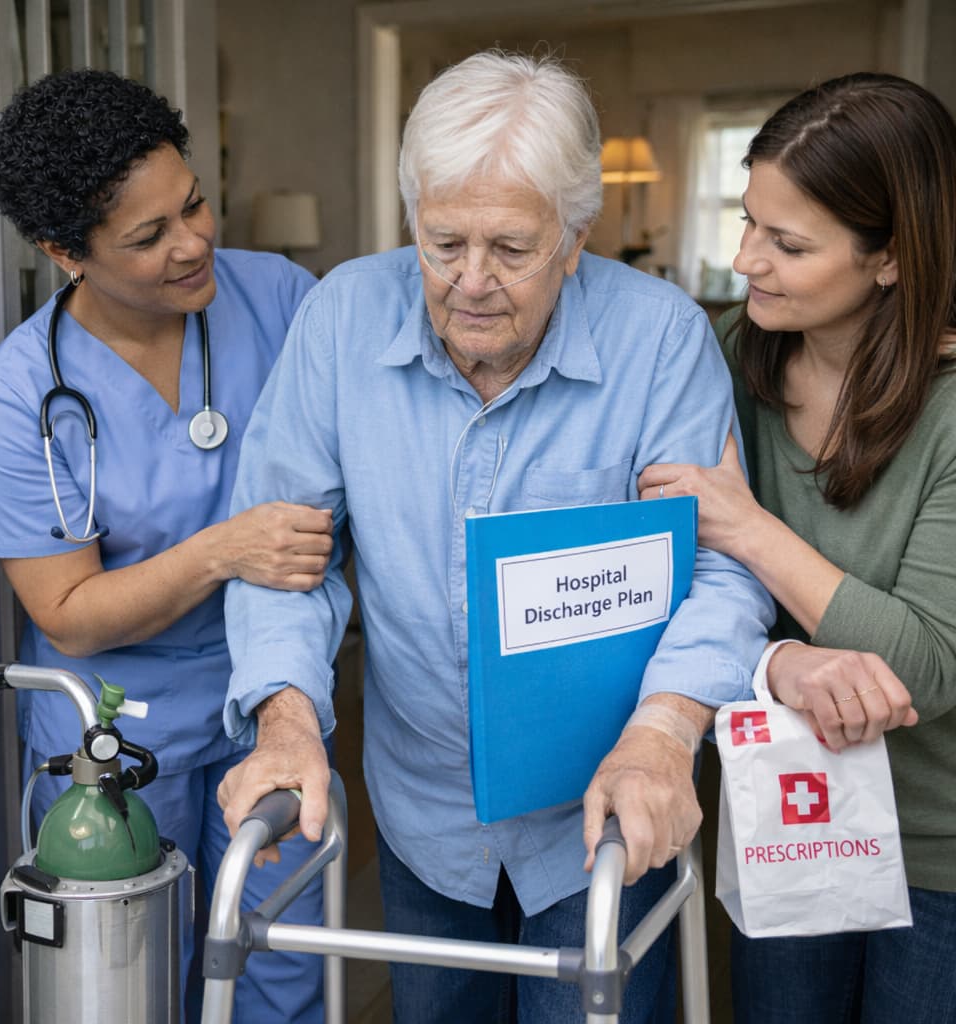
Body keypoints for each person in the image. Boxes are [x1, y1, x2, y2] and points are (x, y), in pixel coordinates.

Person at [217, 50, 774, 1023]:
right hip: (423, 809)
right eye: (442, 244)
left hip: (603, 809)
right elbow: (282, 559)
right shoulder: (341, 318)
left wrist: (663, 733)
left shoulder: (663, 339)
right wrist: (287, 718)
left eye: (511, 250)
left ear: (575, 236)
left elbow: (723, 569)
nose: (471, 282)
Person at [0, 68, 331, 1023]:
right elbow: (70, 616)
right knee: (126, 989)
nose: (195, 242)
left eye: (195, 205)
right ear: (63, 252)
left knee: (280, 971)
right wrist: (225, 550)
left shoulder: (283, 300)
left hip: (271, 703)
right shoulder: (16, 400)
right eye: (149, 236)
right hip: (120, 735)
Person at [638, 72, 956, 1022]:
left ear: (890, 259)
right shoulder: (723, 361)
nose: (745, 260)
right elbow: (676, 590)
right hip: (783, 805)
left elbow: (923, 667)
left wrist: (747, 526)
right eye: (747, 224)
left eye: (788, 244)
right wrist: (777, 658)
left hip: (937, 844)